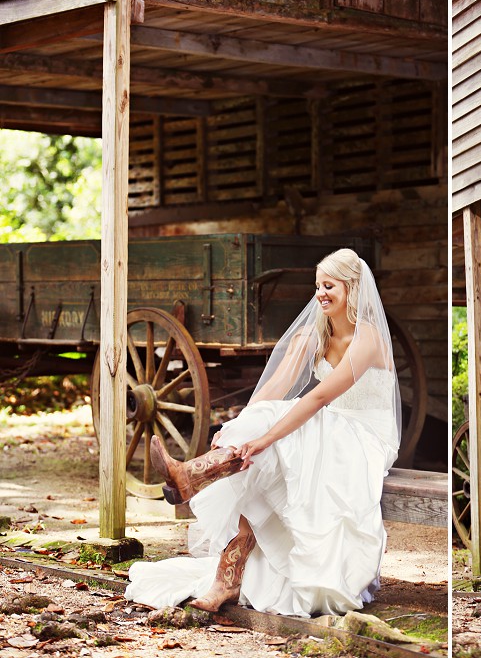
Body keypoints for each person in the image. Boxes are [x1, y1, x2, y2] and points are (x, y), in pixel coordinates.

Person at [124, 248, 401, 617]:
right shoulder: (312, 334)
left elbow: (318, 397)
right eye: (317, 286)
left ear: (352, 287)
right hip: (329, 430)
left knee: (278, 439)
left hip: (365, 437)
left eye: (329, 286)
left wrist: (264, 437)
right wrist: (236, 430)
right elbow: (274, 389)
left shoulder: (368, 338)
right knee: (264, 454)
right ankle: (226, 573)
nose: (320, 294)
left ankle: (195, 478)